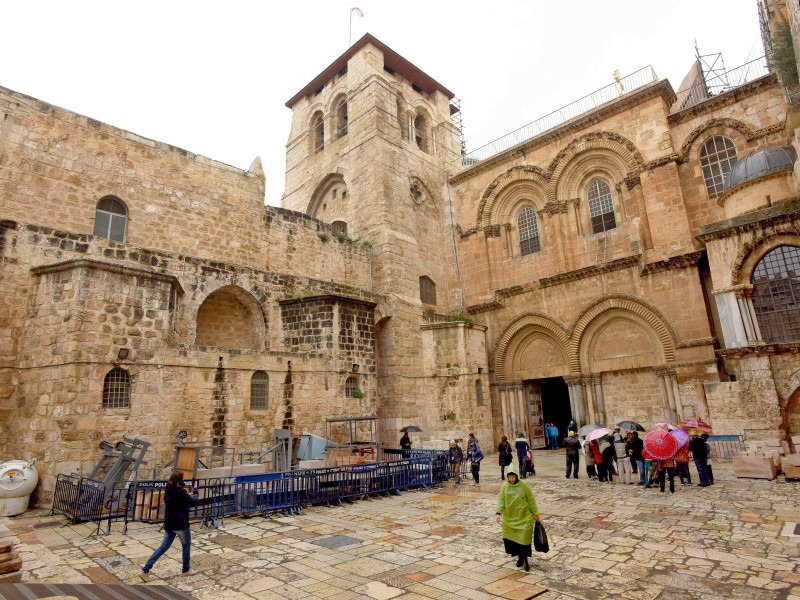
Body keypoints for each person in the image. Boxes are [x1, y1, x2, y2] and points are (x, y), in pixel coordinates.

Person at [141, 472, 198, 579]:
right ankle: (186, 569)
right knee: (186, 546)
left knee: (163, 547)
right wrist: (195, 491)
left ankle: (146, 570)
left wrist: (187, 495)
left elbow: (179, 499)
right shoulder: (180, 492)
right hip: (181, 524)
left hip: (170, 523)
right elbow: (193, 501)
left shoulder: (168, 490)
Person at [495, 464, 539, 573]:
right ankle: (519, 557)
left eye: (513, 477)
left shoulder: (523, 485)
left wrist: (535, 513)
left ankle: (525, 559)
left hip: (524, 517)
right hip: (510, 518)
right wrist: (498, 513)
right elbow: (501, 500)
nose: (511, 479)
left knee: (524, 539)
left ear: (516, 476)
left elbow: (530, 499)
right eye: (509, 477)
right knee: (514, 539)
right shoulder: (505, 486)